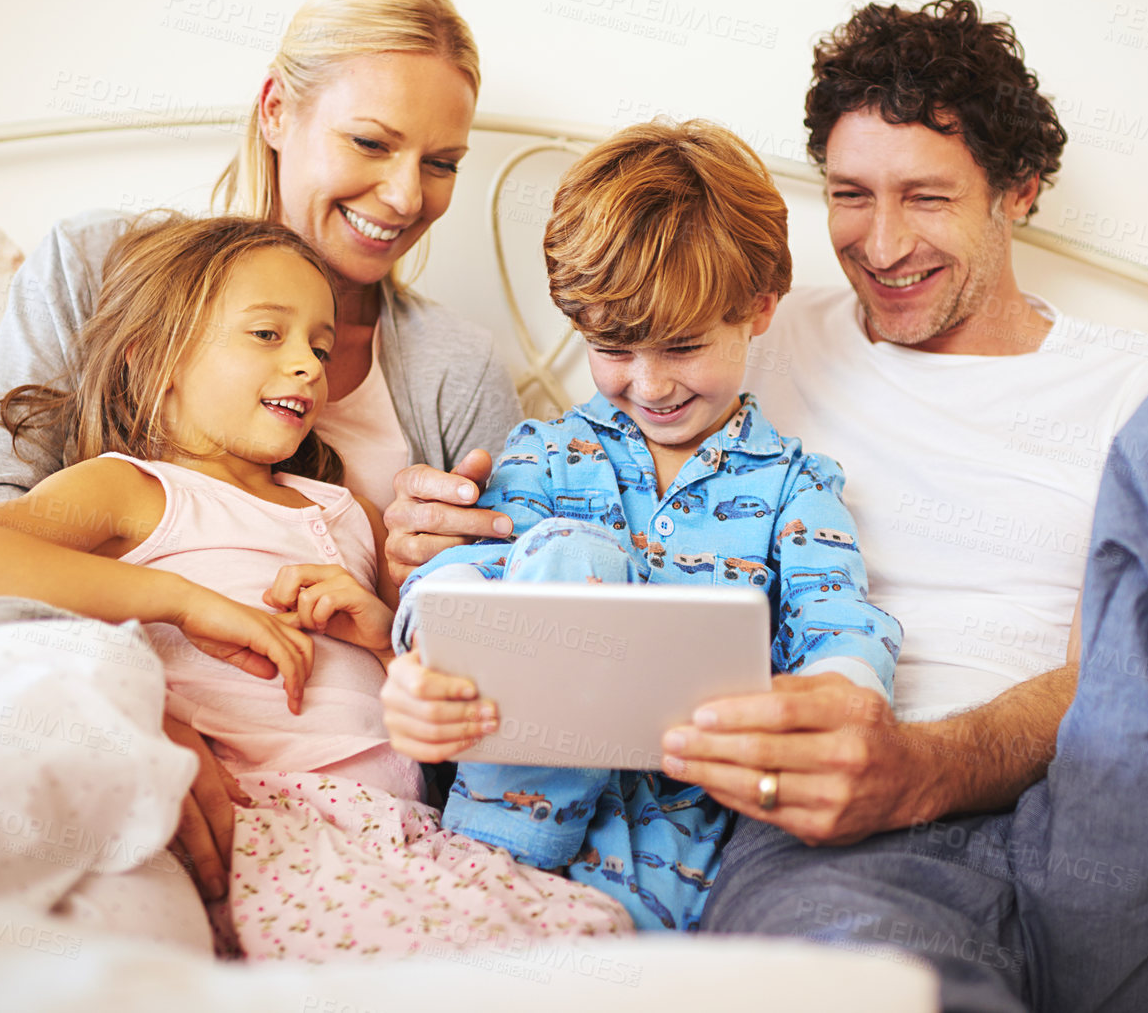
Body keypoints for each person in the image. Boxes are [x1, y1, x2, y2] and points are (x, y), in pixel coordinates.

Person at [378, 0, 1148, 1011]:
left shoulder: (1140, 390)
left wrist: (923, 767)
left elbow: (1108, 678)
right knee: (863, 975)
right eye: (848, 194)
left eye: (925, 197)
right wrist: (429, 565)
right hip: (835, 856)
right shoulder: (730, 341)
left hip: (1108, 834)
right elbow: (573, 513)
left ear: (1016, 192)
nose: (881, 246)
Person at [0, 0, 521, 938]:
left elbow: (490, 655)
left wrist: (423, 592)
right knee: (47, 808)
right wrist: (142, 727)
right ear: (274, 111)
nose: (404, 193)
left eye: (441, 163)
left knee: (134, 930)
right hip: (54, 683)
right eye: (372, 141)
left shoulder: (456, 370)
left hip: (325, 799)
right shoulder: (102, 268)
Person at [0, 214, 630, 961]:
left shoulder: (347, 508)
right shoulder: (131, 488)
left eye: (318, 344)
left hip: (402, 826)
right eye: (266, 335)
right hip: (258, 812)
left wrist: (380, 629)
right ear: (159, 358)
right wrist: (186, 602)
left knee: (583, 933)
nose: (309, 365)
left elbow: (416, 676)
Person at [383, 120, 903, 934]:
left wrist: (838, 694)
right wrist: (425, 673)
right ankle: (492, 879)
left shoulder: (793, 485)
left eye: (683, 346)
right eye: (613, 348)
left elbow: (841, 628)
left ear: (759, 309)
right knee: (566, 553)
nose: (650, 383)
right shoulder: (543, 453)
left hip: (669, 855)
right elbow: (459, 580)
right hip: (486, 837)